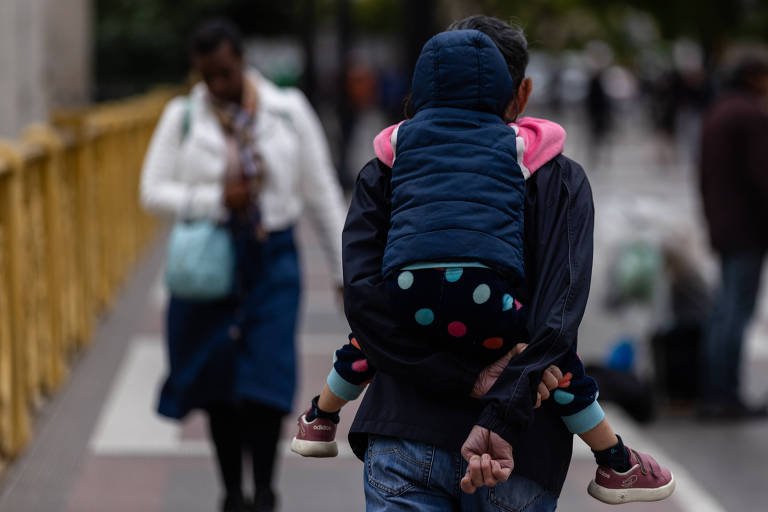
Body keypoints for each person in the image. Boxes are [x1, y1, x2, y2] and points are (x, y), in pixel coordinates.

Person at [292, 18, 673, 509]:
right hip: (520, 453)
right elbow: (556, 325)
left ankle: (318, 417)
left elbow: (364, 305)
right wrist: (497, 414)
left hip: (403, 437)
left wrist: (461, 377)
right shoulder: (557, 177)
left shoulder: (385, 169)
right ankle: (617, 461)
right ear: (521, 94)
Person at [140, 19, 346, 512]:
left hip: (273, 260)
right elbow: (152, 191)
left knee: (267, 381)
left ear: (242, 62)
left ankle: (266, 491)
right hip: (213, 262)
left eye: (225, 73)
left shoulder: (289, 111)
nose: (218, 86)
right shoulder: (182, 116)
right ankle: (232, 493)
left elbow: (322, 196)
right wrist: (216, 199)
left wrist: (345, 272)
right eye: (207, 76)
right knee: (220, 383)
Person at [698, 55, 768, 420]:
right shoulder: (750, 115)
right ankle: (724, 394)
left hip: (724, 225)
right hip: (747, 229)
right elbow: (762, 177)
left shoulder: (719, 111)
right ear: (755, 78)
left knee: (724, 309)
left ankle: (715, 390)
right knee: (735, 311)